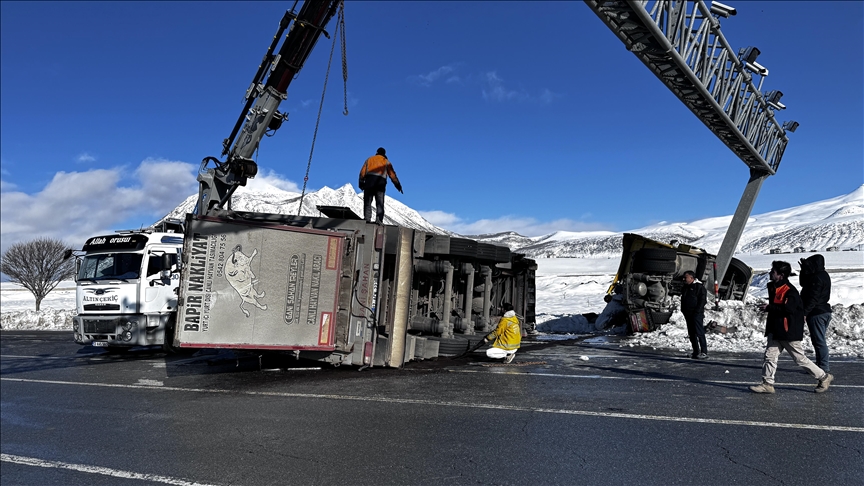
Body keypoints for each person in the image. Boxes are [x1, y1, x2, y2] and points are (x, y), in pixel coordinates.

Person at [750, 261, 833, 394]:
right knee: (770, 356)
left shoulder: (790, 291)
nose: (771, 273)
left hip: (788, 331)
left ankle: (824, 377)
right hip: (776, 329)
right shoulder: (773, 287)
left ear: (781, 275)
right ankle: (767, 383)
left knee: (799, 359)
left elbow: (789, 310)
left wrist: (770, 307)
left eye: (774, 271)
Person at [799, 254, 832, 373]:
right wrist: (804, 270)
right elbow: (803, 283)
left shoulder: (817, 278)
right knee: (817, 340)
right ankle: (819, 366)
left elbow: (813, 297)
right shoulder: (821, 275)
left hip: (817, 313)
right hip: (822, 311)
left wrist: (804, 312)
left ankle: (823, 367)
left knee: (819, 341)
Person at [358, 147, 402, 224]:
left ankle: (367, 219)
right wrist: (398, 185)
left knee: (367, 202)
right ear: (384, 154)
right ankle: (379, 220)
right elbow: (392, 175)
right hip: (380, 184)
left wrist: (361, 183)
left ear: (377, 152)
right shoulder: (386, 162)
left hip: (369, 183)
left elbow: (362, 173)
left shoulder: (369, 160)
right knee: (379, 202)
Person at [680, 270, 708, 359]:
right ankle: (696, 351)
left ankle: (704, 352)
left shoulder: (699, 287)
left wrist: (697, 311)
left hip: (696, 314)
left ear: (692, 278)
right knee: (691, 333)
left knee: (699, 332)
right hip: (687, 313)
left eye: (686, 277)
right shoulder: (685, 287)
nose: (684, 279)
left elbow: (702, 300)